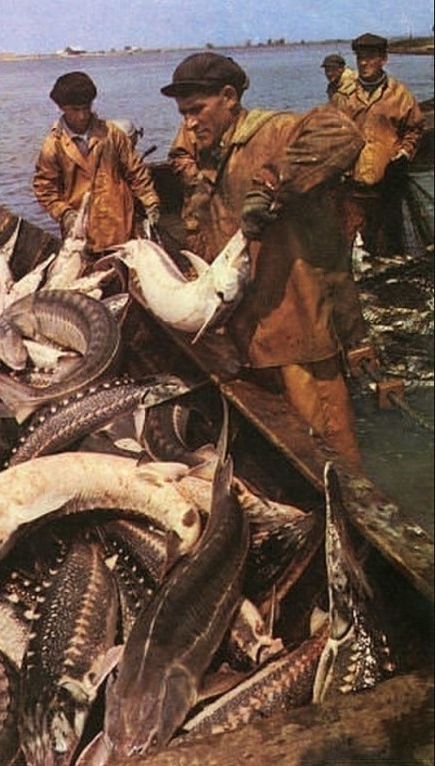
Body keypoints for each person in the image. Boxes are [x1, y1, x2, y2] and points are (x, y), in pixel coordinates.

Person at [162, 52, 366, 468]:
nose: (189, 123)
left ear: (229, 97)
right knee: (287, 452)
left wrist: (270, 186)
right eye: (183, 114)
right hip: (249, 338)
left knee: (331, 456)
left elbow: (342, 132)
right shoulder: (210, 159)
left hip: (299, 336)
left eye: (197, 110)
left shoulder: (275, 131)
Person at [33, 71, 160, 258]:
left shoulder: (112, 134)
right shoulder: (53, 146)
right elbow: (45, 190)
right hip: (82, 235)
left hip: (121, 226)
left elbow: (136, 171)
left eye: (86, 108)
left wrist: (151, 202)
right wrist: (64, 213)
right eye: (75, 110)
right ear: (61, 107)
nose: (82, 115)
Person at [333, 33, 425, 257]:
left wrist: (404, 154)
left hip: (387, 187)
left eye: (370, 57)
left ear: (383, 59)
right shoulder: (344, 97)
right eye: (360, 58)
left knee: (389, 248)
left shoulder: (400, 94)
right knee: (352, 248)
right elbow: (333, 134)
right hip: (353, 188)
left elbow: (414, 128)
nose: (364, 63)